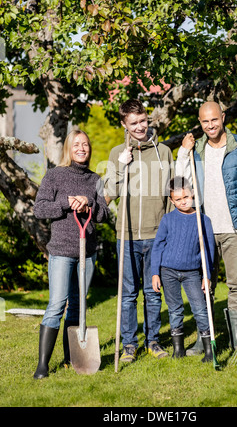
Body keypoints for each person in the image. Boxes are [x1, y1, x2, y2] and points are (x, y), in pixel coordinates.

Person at [176, 101, 237, 352]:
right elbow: (180, 179)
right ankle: (205, 338)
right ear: (200, 122)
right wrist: (184, 152)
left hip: (236, 227)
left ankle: (236, 339)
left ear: (223, 117)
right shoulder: (198, 150)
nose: (210, 126)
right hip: (205, 227)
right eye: (205, 122)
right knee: (205, 283)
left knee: (236, 282)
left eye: (214, 120)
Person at [33, 129, 109, 379]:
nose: (81, 148)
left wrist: (90, 204)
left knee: (78, 305)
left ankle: (71, 358)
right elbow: (40, 209)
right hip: (62, 251)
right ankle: (43, 365)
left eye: (85, 144)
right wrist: (67, 202)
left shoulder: (95, 179)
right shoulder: (55, 176)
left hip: (87, 251)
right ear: (68, 148)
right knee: (56, 304)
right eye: (76, 144)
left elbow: (105, 215)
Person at [104, 99, 174, 362]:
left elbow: (170, 195)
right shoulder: (116, 153)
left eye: (143, 120)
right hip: (127, 235)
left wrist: (168, 231)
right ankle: (129, 345)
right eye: (133, 123)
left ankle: (153, 341)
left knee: (153, 292)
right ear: (124, 124)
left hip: (156, 235)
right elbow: (109, 192)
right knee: (128, 295)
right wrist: (122, 165)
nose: (140, 126)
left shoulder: (164, 152)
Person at [151, 176, 215, 362]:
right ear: (171, 200)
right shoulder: (168, 219)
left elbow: (208, 251)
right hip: (168, 270)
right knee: (175, 309)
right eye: (178, 199)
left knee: (200, 309)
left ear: (192, 193)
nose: (183, 201)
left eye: (186, 197)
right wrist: (155, 272)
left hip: (192, 272)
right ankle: (178, 350)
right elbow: (158, 247)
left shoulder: (203, 220)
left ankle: (209, 350)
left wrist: (207, 276)